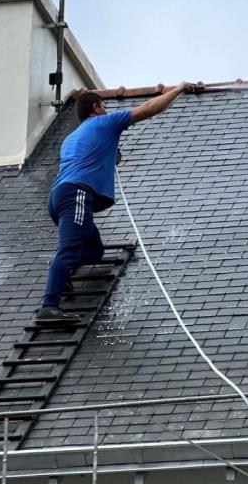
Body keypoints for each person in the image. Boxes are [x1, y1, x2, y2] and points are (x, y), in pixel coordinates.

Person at [36, 82, 202, 323]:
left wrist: (111, 153)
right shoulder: (104, 123)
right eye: (104, 106)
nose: (106, 110)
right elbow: (147, 109)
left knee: (94, 250)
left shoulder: (72, 137)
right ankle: (49, 307)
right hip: (77, 195)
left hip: (60, 197)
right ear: (95, 108)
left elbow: (90, 157)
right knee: (69, 248)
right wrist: (179, 90)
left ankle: (63, 274)